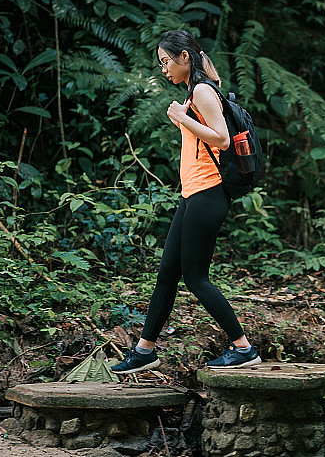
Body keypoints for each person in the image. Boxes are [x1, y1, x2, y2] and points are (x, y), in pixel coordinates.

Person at [111, 30, 261, 373]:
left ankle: (243, 347)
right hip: (192, 195)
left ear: (185, 58)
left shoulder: (203, 92)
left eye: (167, 61)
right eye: (161, 63)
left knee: (195, 278)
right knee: (167, 274)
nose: (164, 68)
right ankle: (145, 350)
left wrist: (183, 118)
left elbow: (222, 139)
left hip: (208, 194)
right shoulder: (196, 92)